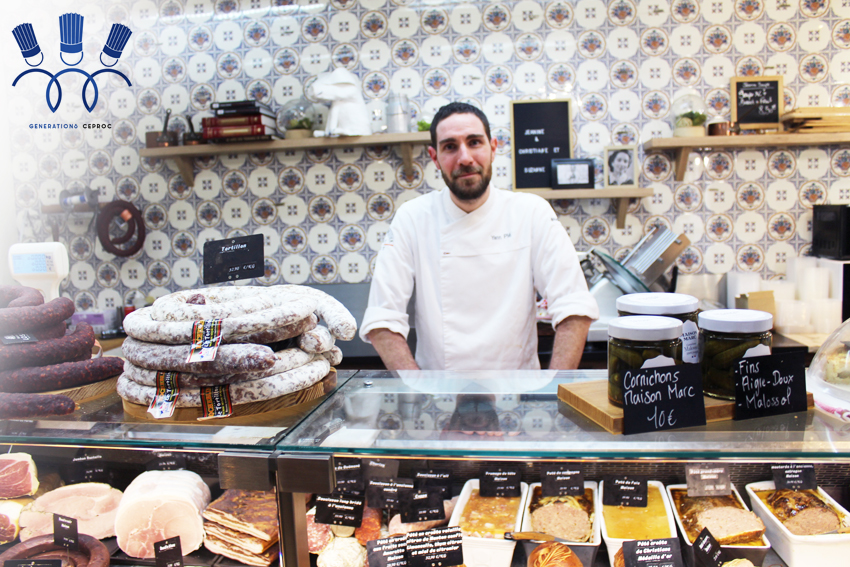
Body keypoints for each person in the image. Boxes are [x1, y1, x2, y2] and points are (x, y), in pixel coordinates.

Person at [360, 102, 599, 371]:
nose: (464, 158)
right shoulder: (413, 218)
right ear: (434, 157)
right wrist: (419, 392)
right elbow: (382, 319)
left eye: (474, 142)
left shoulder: (531, 212)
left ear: (493, 148)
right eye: (450, 146)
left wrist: (556, 393)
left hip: (517, 398)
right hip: (441, 400)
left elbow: (574, 307)